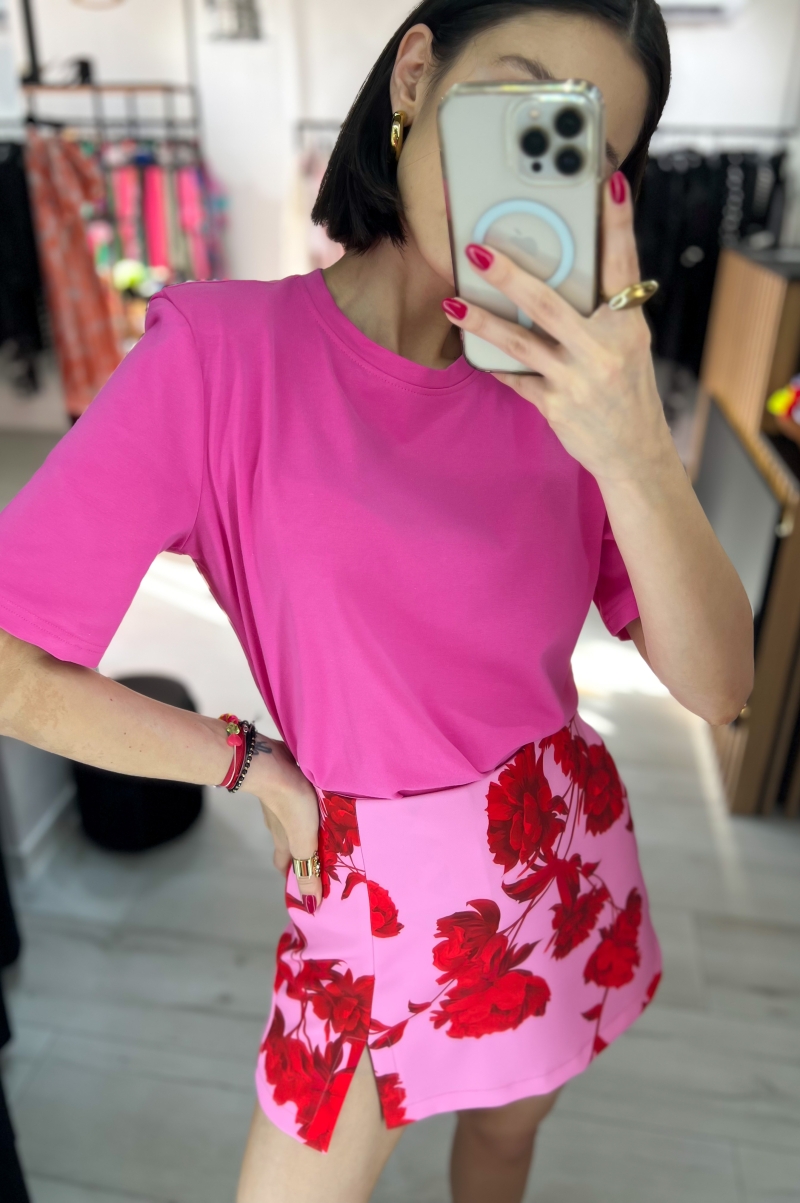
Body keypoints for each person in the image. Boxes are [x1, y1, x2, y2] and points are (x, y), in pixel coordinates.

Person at [0, 2, 754, 1201]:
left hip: (552, 849)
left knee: (505, 1139)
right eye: (515, 102)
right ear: (415, 74)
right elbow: (12, 667)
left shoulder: (575, 401)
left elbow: (718, 690)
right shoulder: (218, 358)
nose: (536, 162)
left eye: (583, 150)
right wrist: (245, 763)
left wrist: (634, 446)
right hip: (361, 896)